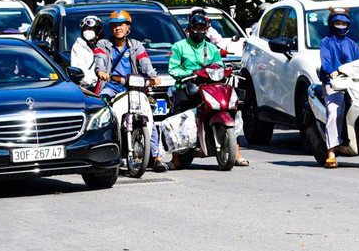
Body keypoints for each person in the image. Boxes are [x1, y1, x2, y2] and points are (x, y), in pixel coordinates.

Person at [169, 10, 248, 167]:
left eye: (202, 28)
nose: (199, 32)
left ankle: (236, 152)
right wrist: (189, 74)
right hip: (188, 87)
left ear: (206, 30)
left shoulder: (212, 48)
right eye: (195, 28)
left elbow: (219, 66)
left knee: (230, 110)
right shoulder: (179, 47)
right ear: (189, 29)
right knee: (179, 115)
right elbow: (173, 69)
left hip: (210, 87)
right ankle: (176, 157)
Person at [95, 9, 168, 173]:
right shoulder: (103, 44)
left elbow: (145, 63)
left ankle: (156, 157)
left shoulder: (136, 45)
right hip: (112, 86)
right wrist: (101, 72)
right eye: (114, 25)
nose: (118, 28)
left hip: (134, 87)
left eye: (121, 24)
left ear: (128, 27)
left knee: (148, 117)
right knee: (103, 110)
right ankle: (106, 153)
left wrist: (153, 77)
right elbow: (100, 60)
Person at [319, 8, 359, 168]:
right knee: (334, 112)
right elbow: (326, 62)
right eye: (338, 23)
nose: (341, 26)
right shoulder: (326, 42)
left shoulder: (351, 43)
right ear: (332, 24)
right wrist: (331, 71)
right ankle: (331, 154)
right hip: (333, 83)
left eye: (344, 23)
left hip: (352, 82)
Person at [69, 15, 103, 93]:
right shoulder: (78, 47)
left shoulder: (104, 46)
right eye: (86, 29)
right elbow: (81, 74)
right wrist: (95, 81)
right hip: (88, 90)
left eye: (91, 29)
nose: (88, 32)